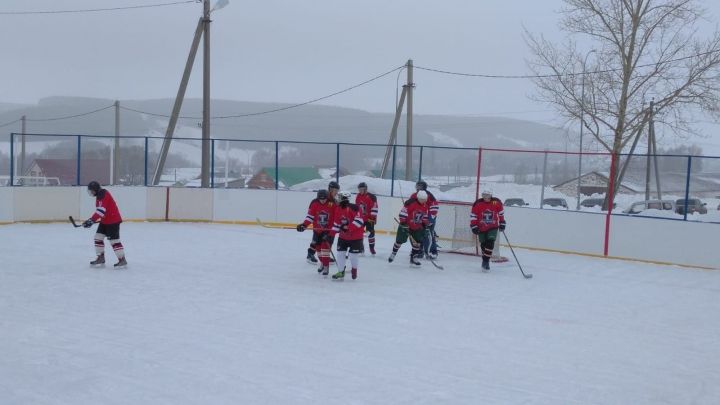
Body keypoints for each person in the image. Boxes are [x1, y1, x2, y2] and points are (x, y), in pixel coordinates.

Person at [83, 181, 127, 268]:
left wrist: (91, 221)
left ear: (95, 190)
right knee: (98, 238)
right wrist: (90, 220)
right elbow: (102, 212)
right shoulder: (100, 195)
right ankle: (101, 257)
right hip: (105, 221)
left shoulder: (102, 195)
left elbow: (100, 211)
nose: (91, 193)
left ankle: (122, 259)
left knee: (114, 241)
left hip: (113, 221)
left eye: (91, 191)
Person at [297, 188, 336, 275]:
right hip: (317, 231)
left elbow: (335, 218)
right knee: (318, 249)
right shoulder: (315, 204)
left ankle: (326, 267)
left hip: (328, 230)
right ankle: (323, 263)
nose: (322, 201)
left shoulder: (332, 204)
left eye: (324, 199)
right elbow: (310, 217)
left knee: (325, 248)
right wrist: (304, 225)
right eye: (320, 199)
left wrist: (332, 230)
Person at [329, 190, 365, 280]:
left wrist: (347, 228)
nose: (337, 199)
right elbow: (337, 224)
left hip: (356, 237)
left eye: (339, 197)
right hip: (343, 237)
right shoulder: (338, 209)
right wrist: (330, 235)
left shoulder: (355, 208)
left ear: (344, 198)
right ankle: (341, 272)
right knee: (340, 253)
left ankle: (354, 269)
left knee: (353, 255)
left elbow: (359, 221)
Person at [388, 190, 429, 266]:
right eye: (422, 199)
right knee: (399, 241)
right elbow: (402, 213)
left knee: (417, 242)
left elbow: (425, 216)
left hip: (417, 226)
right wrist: (403, 223)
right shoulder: (410, 203)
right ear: (418, 198)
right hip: (406, 225)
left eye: (425, 199)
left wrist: (425, 225)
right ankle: (393, 253)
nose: (424, 201)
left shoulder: (425, 206)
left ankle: (414, 258)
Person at [470, 189, 506, 271]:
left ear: (491, 196)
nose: (486, 197)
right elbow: (473, 215)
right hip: (481, 227)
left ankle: (486, 261)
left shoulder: (496, 202)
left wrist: (502, 222)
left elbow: (501, 213)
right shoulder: (478, 203)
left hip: (493, 227)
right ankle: (485, 260)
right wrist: (473, 226)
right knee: (483, 246)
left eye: (488, 195)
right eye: (484, 195)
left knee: (490, 242)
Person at [306, 181, 340, 264]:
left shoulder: (334, 201)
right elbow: (312, 213)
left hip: (328, 227)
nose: (336, 193)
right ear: (330, 189)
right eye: (335, 190)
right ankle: (310, 254)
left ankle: (325, 256)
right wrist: (305, 224)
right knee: (316, 241)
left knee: (326, 242)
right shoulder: (321, 198)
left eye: (337, 191)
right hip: (318, 226)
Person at [410, 180, 440, 259]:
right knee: (418, 235)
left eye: (419, 186)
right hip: (418, 219)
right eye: (417, 186)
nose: (417, 187)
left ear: (423, 187)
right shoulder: (414, 195)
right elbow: (410, 206)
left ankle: (432, 251)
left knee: (429, 235)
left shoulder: (429, 195)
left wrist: (430, 220)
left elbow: (434, 207)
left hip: (428, 219)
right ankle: (419, 251)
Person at [355, 182, 378, 255]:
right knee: (359, 233)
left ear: (366, 189)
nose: (360, 191)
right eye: (359, 189)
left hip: (369, 219)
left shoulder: (371, 196)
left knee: (370, 233)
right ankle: (361, 248)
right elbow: (357, 207)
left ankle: (372, 248)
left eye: (362, 189)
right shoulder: (358, 196)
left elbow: (375, 207)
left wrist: (372, 217)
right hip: (361, 219)